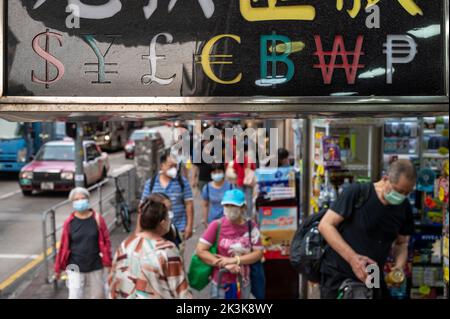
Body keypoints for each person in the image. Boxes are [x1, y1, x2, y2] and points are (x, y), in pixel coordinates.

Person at [318, 159, 416, 299]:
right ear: (385, 178)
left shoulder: (404, 207)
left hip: (372, 277)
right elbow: (326, 225)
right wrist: (353, 258)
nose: (401, 196)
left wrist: (399, 266)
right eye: (399, 190)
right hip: (338, 275)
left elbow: (401, 243)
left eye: (406, 193)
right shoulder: (358, 192)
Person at [109, 194, 191, 299]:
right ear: (162, 223)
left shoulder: (126, 244)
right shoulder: (167, 250)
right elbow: (181, 290)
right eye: (168, 216)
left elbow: (113, 281)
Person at [196, 189, 264, 299]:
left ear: (243, 207)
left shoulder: (251, 227)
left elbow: (258, 253)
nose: (229, 209)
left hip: (243, 283)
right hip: (220, 283)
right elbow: (200, 250)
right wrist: (225, 264)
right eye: (226, 205)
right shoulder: (216, 225)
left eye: (233, 205)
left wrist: (235, 260)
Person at [54, 187, 112, 299]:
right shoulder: (69, 222)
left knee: (98, 295)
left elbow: (106, 242)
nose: (80, 201)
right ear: (72, 202)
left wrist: (108, 262)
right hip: (74, 265)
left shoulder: (97, 219)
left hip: (95, 264)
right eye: (76, 199)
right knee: (75, 296)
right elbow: (63, 247)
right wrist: (58, 268)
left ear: (88, 199)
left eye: (82, 198)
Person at [141, 152, 194, 256]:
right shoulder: (151, 183)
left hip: (178, 230)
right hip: (155, 231)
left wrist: (189, 226)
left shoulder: (182, 183)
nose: (174, 169)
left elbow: (189, 204)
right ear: (162, 165)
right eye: (171, 166)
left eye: (175, 166)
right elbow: (142, 207)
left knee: (177, 258)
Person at [201, 163, 233, 228]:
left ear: (223, 172)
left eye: (219, 172)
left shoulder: (230, 186)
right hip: (212, 221)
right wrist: (205, 220)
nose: (217, 174)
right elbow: (205, 205)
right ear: (211, 174)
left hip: (228, 221)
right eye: (214, 172)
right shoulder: (207, 188)